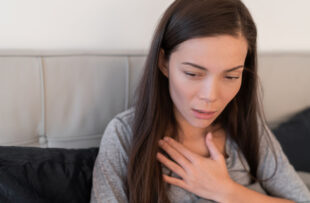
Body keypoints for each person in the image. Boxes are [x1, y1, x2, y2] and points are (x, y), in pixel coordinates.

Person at [90, 0, 310, 202]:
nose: (211, 96)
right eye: (193, 74)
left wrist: (227, 191)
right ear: (164, 63)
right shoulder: (124, 135)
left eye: (231, 76)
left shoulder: (247, 127)